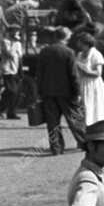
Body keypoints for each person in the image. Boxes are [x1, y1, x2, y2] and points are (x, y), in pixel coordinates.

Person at [35, 26, 84, 154]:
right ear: (66, 37)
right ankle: (85, 143)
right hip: (67, 93)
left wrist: (39, 92)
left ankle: (56, 148)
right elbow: (73, 75)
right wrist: (77, 92)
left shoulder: (44, 51)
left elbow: (39, 74)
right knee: (74, 120)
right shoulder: (69, 52)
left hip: (48, 92)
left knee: (52, 122)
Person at [74, 31, 104, 126]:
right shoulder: (79, 54)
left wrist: (85, 70)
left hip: (93, 83)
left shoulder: (96, 54)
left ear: (86, 43)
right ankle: (85, 123)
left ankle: (96, 123)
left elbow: (98, 73)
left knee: (94, 103)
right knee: (83, 104)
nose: (78, 45)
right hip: (83, 82)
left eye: (80, 43)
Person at [0, 25, 24, 120]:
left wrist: (20, 70)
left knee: (17, 93)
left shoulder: (18, 44)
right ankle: (1, 107)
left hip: (16, 69)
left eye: (18, 31)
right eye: (15, 31)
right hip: (7, 69)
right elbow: (10, 54)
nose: (17, 33)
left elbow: (19, 57)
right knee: (12, 91)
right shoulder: (5, 42)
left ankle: (11, 113)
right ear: (10, 32)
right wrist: (14, 43)